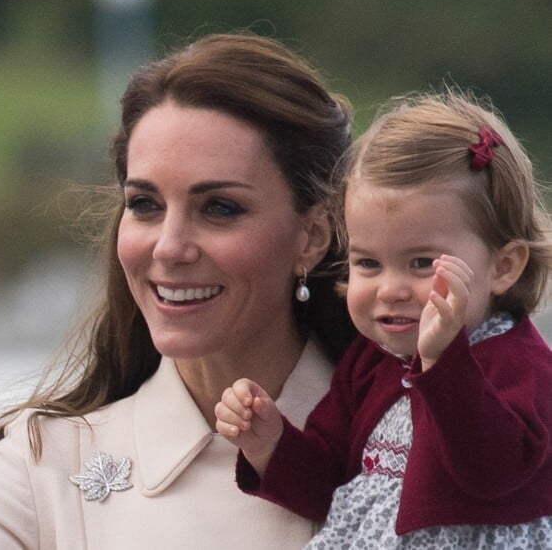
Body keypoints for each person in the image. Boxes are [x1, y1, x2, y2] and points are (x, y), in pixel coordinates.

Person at [0, 32, 357, 549]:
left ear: (312, 236)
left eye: (219, 208)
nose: (170, 248)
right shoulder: (36, 475)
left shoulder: (426, 448)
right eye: (145, 205)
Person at [215, 88, 552, 548]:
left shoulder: (520, 364)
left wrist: (443, 362)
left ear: (503, 266)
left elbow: (492, 470)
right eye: (368, 264)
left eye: (421, 263)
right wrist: (269, 444)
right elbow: (327, 484)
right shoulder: (371, 364)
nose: (390, 289)